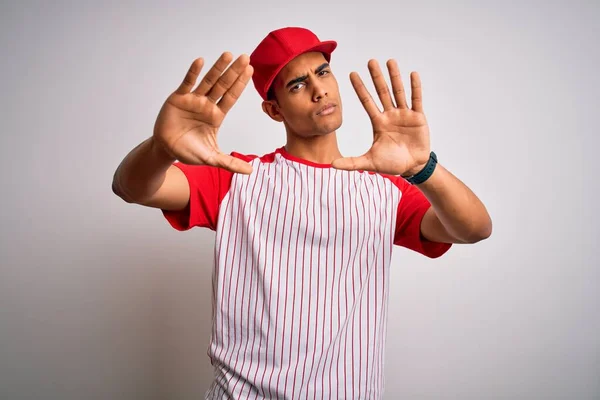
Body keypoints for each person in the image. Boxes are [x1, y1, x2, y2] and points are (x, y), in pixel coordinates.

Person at [112, 26, 492, 400]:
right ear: (273, 110)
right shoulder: (236, 178)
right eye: (297, 84)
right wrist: (162, 148)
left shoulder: (384, 188)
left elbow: (474, 228)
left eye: (323, 72)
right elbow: (131, 188)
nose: (318, 90)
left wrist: (421, 167)